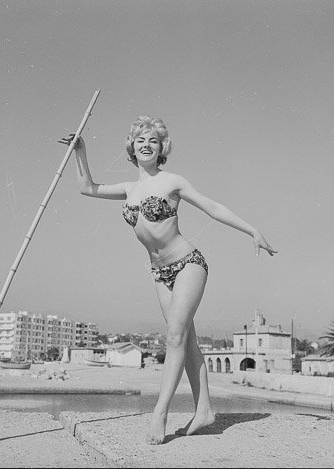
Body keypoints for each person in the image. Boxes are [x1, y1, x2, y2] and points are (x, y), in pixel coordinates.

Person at [60, 114, 276, 444]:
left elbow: (212, 207)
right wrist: (80, 150)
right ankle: (204, 410)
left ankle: (159, 412)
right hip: (158, 273)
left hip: (189, 263)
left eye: (153, 141)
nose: (146, 145)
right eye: (140, 140)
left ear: (162, 148)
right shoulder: (129, 188)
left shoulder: (172, 180)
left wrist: (252, 230)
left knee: (175, 335)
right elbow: (86, 188)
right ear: (131, 147)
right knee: (186, 339)